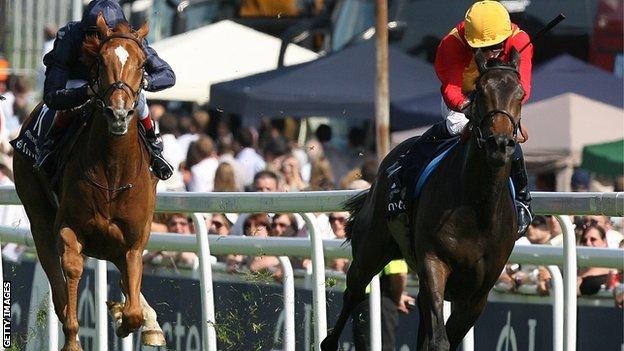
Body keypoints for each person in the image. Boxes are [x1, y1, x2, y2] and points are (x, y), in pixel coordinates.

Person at [388, 0, 534, 235]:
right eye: (483, 48)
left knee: (505, 137)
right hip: (464, 99)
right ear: (468, 40)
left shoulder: (520, 40)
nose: (490, 51)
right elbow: (450, 89)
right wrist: (470, 108)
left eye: (496, 45)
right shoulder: (450, 44)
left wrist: (499, 106)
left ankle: (523, 200)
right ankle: (401, 182)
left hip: (498, 102)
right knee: (455, 126)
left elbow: (523, 87)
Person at [37, 0, 175, 180]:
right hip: (79, 82)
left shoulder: (130, 38)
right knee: (71, 96)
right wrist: (87, 91)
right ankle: (51, 144)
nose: (101, 40)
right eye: (95, 34)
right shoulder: (70, 35)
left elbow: (167, 75)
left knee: (137, 98)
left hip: (117, 85)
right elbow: (52, 95)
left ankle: (153, 143)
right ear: (85, 30)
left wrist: (144, 82)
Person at [352, 260, 415, 351]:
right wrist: (398, 298)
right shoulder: (391, 246)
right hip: (380, 300)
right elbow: (399, 274)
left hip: (359, 298)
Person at [577, 224, 613, 296]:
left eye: (593, 239)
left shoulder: (612, 270)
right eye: (584, 240)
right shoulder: (576, 268)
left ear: (604, 242)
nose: (588, 243)